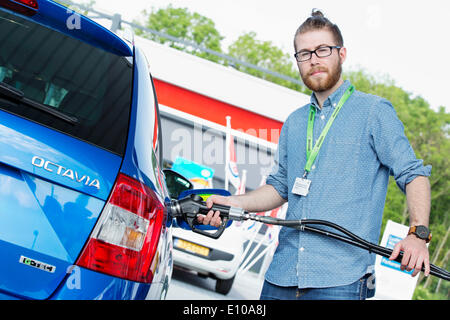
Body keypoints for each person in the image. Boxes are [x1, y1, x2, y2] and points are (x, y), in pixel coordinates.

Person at [197, 9, 432, 300]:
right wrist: (232, 203)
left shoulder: (374, 112)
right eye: (304, 54)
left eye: (322, 49)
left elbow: (414, 174)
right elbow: (279, 188)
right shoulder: (295, 122)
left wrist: (418, 235)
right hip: (280, 276)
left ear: (341, 54)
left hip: (340, 281)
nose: (314, 60)